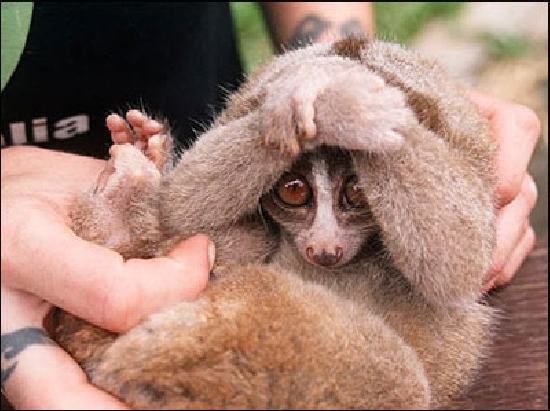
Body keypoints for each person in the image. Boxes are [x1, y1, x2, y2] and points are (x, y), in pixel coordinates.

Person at [0, 3, 540, 409]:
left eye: (355, 200)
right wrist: (285, 115)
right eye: (295, 195)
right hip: (104, 255)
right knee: (197, 237)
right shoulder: (247, 197)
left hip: (316, 332)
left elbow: (450, 270)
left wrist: (368, 100)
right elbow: (189, 210)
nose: (323, 244)